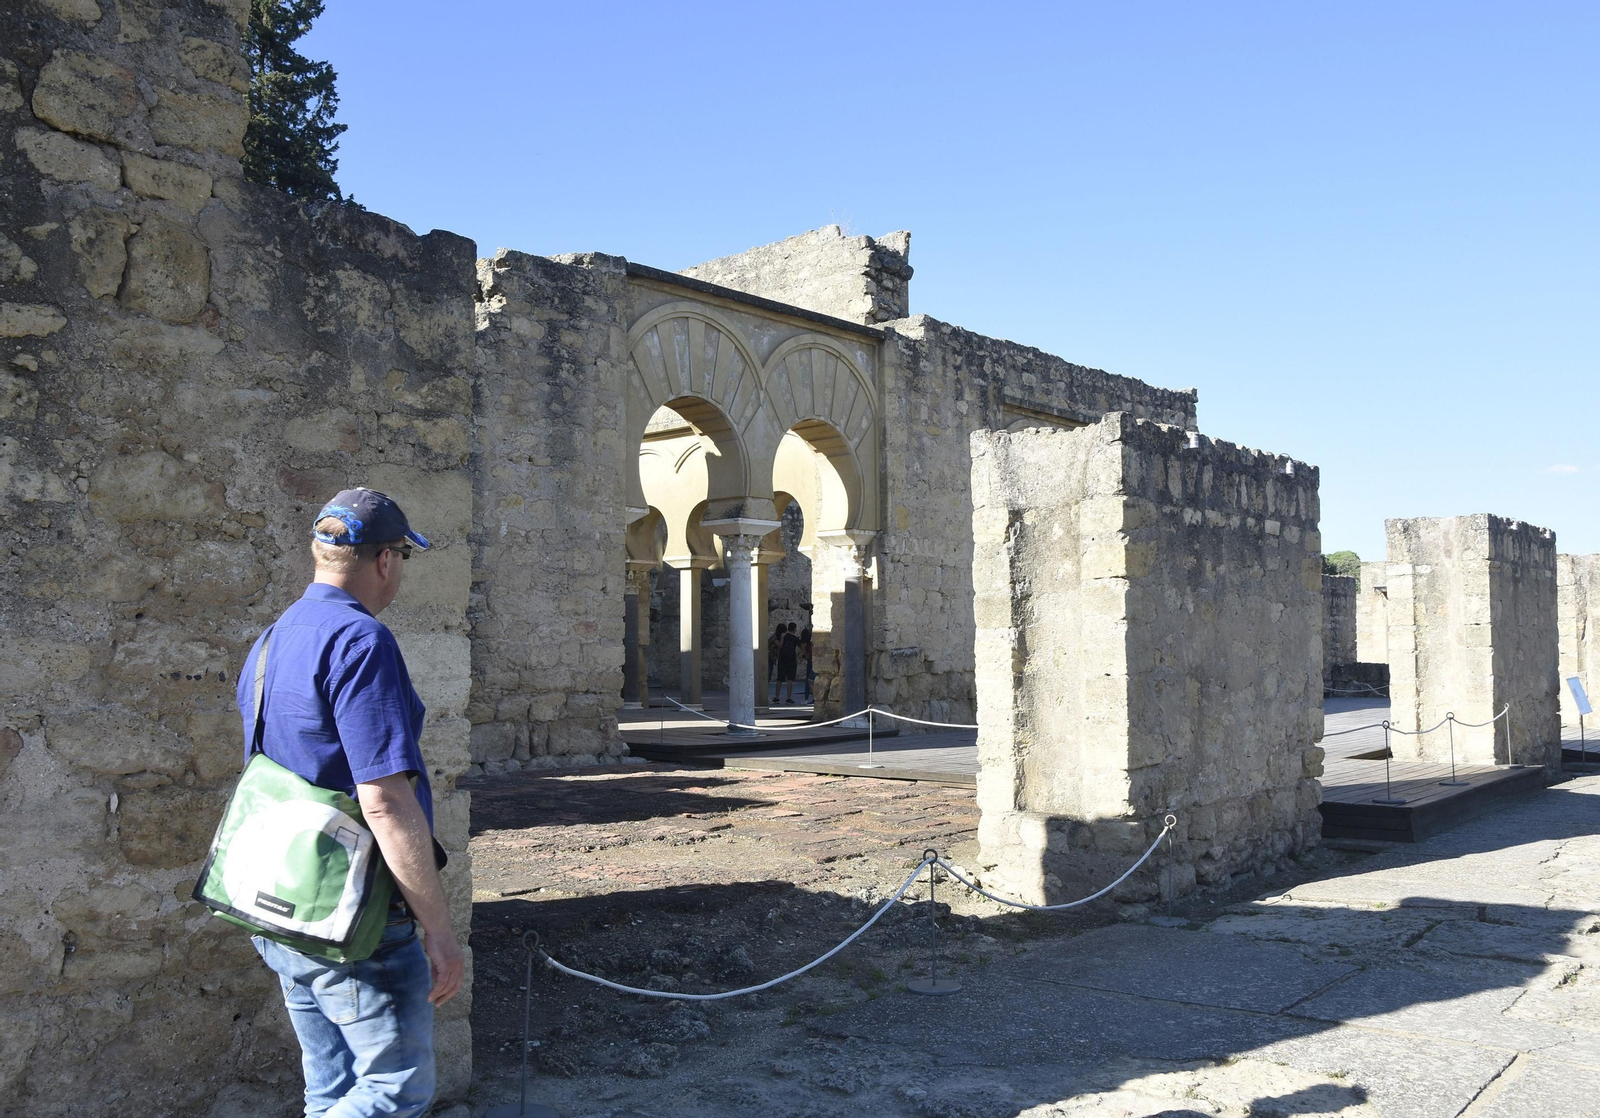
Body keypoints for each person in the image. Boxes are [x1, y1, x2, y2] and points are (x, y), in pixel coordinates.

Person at [236, 487, 463, 1118]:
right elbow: (386, 803)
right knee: (397, 1089)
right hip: (353, 917)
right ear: (385, 560)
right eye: (402, 558)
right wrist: (439, 930)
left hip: (280, 900)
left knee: (330, 1090)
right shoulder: (362, 643)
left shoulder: (272, 639)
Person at [775, 621, 802, 704]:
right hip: (792, 660)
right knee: (790, 680)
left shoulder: (783, 636)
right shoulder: (795, 638)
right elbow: (801, 647)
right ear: (794, 629)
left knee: (779, 679)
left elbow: (780, 646)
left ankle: (777, 697)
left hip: (782, 660)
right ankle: (789, 698)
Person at [767, 622, 785, 701]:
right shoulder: (774, 637)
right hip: (768, 658)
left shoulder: (775, 637)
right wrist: (782, 638)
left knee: (769, 677)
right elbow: (780, 645)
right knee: (767, 676)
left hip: (771, 659)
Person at [800, 626, 814, 702]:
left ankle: (806, 698)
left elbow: (805, 654)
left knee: (808, 679)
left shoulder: (803, 643)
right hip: (813, 659)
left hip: (810, 660)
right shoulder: (810, 641)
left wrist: (807, 655)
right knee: (812, 679)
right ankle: (814, 697)